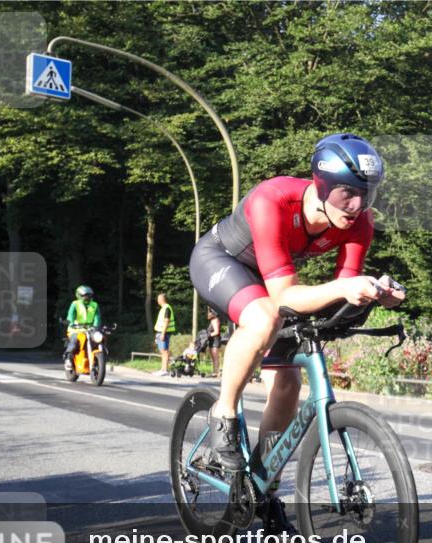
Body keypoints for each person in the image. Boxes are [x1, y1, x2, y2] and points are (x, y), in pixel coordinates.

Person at [189, 133, 405, 475]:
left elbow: (340, 294)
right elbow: (285, 298)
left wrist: (375, 295)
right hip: (221, 261)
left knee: (289, 384)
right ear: (320, 186)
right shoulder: (271, 200)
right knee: (263, 320)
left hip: (271, 279)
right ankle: (223, 413)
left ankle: (264, 483)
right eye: (346, 193)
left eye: (366, 194)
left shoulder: (360, 223)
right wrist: (344, 287)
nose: (356, 205)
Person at [65, 285, 101, 370]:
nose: (87, 297)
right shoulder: (75, 304)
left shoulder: (94, 305)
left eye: (89, 295)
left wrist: (96, 326)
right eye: (85, 295)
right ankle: (69, 359)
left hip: (90, 329)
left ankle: (100, 358)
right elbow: (70, 316)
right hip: (75, 329)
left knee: (99, 338)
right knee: (74, 342)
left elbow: (97, 317)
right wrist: (71, 323)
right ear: (79, 295)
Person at [153, 293, 176, 377]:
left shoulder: (167, 308)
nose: (157, 300)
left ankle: (165, 370)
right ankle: (162, 369)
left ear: (162, 299)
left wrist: (163, 333)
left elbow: (167, 321)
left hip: (164, 333)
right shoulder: (164, 308)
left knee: (164, 351)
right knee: (162, 351)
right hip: (160, 332)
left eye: (158, 298)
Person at [207, 307, 222, 377]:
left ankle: (216, 372)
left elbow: (216, 331)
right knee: (213, 357)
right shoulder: (212, 320)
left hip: (215, 340)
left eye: (210, 312)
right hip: (211, 340)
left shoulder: (215, 320)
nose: (208, 313)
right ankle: (214, 371)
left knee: (215, 357)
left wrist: (208, 335)